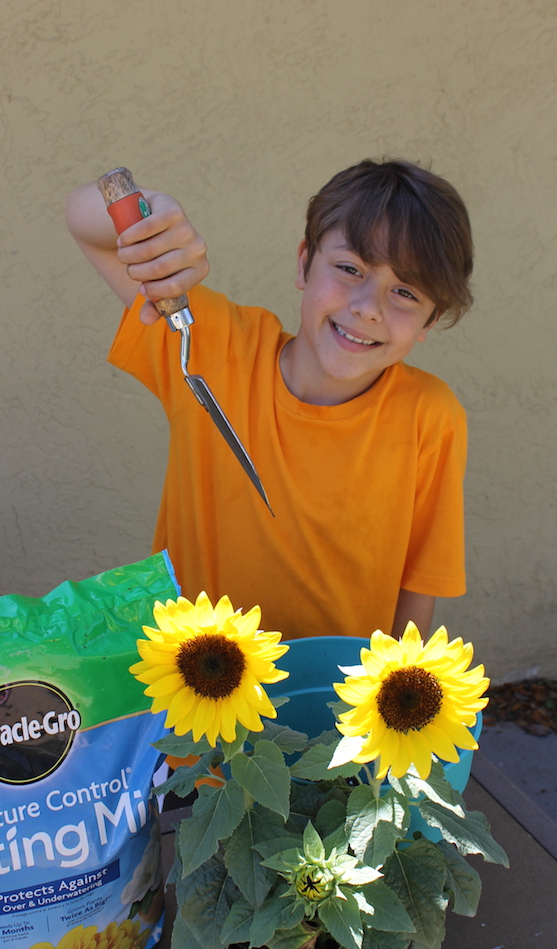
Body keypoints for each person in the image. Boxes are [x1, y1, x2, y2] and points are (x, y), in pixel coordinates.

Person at [65, 159, 472, 642]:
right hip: (195, 686)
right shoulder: (211, 348)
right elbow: (83, 219)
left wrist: (395, 701)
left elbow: (418, 584)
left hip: (339, 699)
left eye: (404, 292)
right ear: (304, 261)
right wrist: (156, 219)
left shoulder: (430, 415)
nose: (367, 307)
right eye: (349, 268)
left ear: (430, 321)